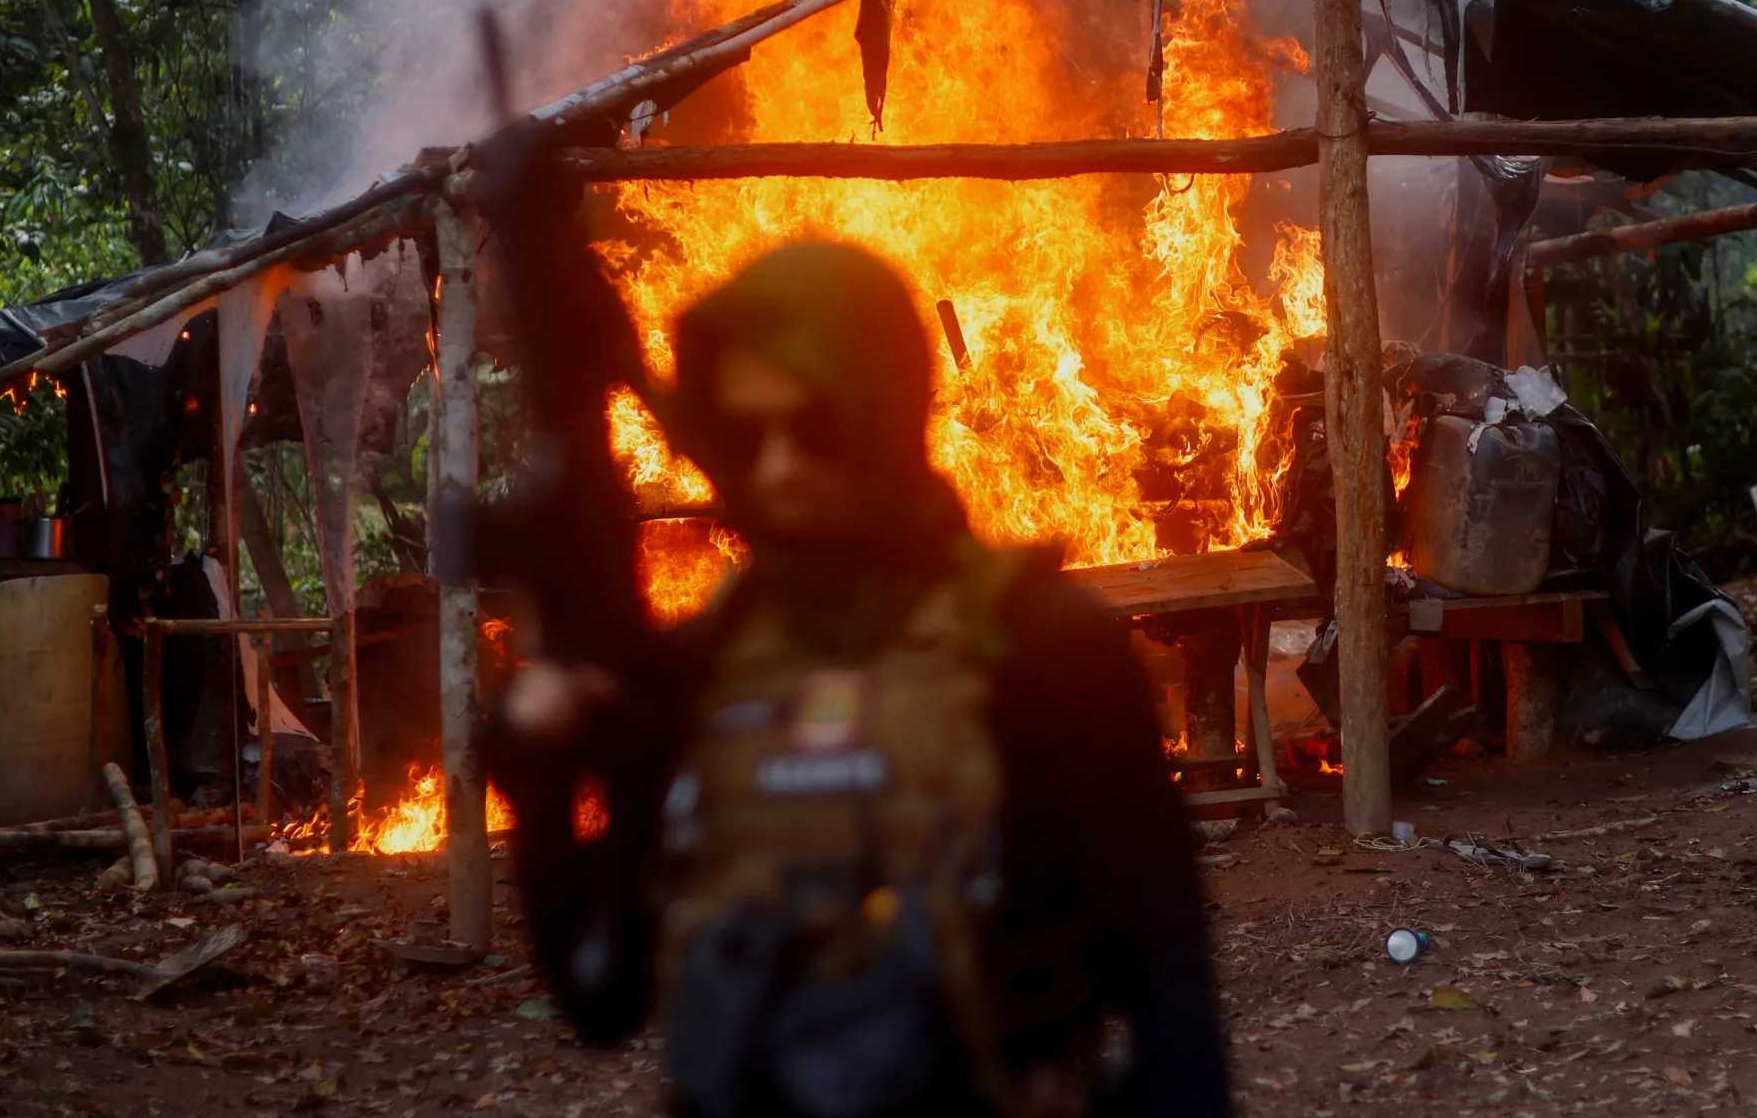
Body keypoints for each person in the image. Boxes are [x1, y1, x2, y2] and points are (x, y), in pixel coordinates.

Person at [485, 239, 1229, 1118]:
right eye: (744, 432)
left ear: (883, 413)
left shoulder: (1040, 645)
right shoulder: (705, 668)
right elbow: (603, 997)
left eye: (817, 427)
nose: (778, 467)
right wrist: (540, 790)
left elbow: (1166, 965)